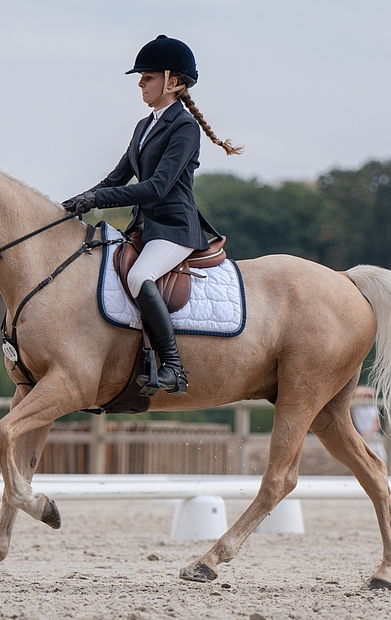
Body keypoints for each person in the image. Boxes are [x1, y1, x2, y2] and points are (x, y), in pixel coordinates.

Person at [62, 35, 242, 396]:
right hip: (144, 227)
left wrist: (98, 197)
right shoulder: (144, 127)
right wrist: (75, 202)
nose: (141, 84)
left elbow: (158, 186)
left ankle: (174, 367)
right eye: (141, 78)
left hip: (174, 228)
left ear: (172, 81)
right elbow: (117, 178)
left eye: (147, 77)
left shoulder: (185, 128)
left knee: (140, 274)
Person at [350, 386, 387, 462]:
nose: (366, 397)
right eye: (364, 395)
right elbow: (356, 391)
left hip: (373, 435)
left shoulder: (373, 407)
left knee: (382, 458)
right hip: (361, 436)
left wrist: (368, 433)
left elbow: (377, 425)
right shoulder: (356, 407)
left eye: (367, 395)